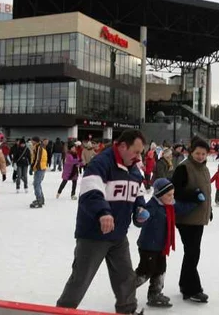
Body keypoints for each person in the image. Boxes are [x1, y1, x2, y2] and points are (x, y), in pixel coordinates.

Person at [56, 130, 149, 314]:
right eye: (136, 152)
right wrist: (103, 213)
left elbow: (137, 194)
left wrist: (140, 209)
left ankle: (127, 310)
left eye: (141, 153)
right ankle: (63, 311)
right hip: (94, 235)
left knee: (125, 277)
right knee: (81, 278)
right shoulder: (101, 163)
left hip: (118, 234)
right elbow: (90, 192)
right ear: (122, 146)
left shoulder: (134, 170)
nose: (139, 157)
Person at [134, 178, 198, 308]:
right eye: (168, 195)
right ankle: (125, 288)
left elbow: (182, 208)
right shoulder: (151, 206)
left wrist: (196, 202)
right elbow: (139, 220)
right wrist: (140, 217)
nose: (171, 197)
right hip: (148, 246)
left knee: (160, 270)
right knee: (145, 271)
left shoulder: (170, 205)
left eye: (173, 194)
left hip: (161, 246)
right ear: (159, 194)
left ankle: (155, 295)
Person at [170, 137, 212, 303]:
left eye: (203, 153)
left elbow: (206, 191)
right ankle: (192, 288)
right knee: (193, 253)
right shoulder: (183, 168)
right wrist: (194, 195)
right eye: (197, 153)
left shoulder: (204, 168)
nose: (200, 156)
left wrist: (209, 209)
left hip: (198, 217)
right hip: (186, 218)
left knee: (192, 253)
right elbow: (175, 191)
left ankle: (184, 284)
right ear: (191, 152)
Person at [30, 137, 48, 208]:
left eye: (32, 141)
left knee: (36, 184)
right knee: (38, 184)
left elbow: (37, 159)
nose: (31, 142)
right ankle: (41, 199)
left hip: (39, 168)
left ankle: (39, 200)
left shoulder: (39, 148)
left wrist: (32, 167)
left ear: (35, 141)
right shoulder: (37, 147)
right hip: (39, 168)